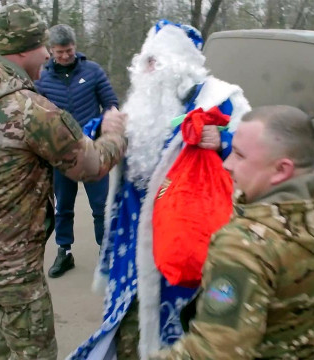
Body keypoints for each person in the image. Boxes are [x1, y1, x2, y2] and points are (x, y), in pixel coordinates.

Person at [0, 4, 127, 360]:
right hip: (10, 263)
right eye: (43, 45)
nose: (48, 53)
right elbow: (91, 165)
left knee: (7, 319)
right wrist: (117, 135)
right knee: (35, 347)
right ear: (23, 49)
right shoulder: (30, 110)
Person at [69, 20, 250, 360]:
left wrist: (222, 140)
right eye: (145, 61)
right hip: (131, 236)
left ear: (180, 64)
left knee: (192, 327)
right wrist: (99, 128)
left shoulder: (220, 99)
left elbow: (252, 150)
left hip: (191, 238)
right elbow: (88, 141)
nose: (148, 68)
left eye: (157, 61)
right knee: (129, 323)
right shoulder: (142, 103)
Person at [149, 105, 314, 360]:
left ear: (281, 170)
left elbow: (213, 353)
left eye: (239, 155)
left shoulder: (244, 244)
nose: (227, 164)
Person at [35, 24, 118, 278]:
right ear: (51, 50)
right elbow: (36, 114)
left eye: (68, 50)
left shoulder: (92, 71)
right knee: (63, 207)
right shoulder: (43, 78)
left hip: (93, 152)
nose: (64, 56)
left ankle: (106, 255)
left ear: (75, 46)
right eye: (59, 52)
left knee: (101, 207)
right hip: (60, 156)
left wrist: (110, 124)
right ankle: (64, 252)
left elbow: (111, 103)